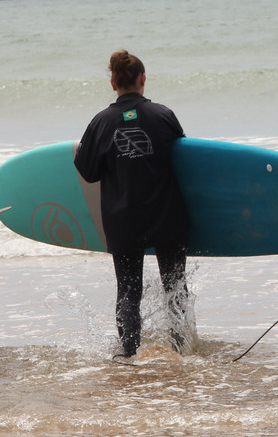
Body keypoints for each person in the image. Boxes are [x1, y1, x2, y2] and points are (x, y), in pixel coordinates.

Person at [74, 50, 191, 358]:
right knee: (175, 287)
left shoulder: (100, 123)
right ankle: (182, 352)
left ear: (113, 83)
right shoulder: (164, 116)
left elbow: (88, 172)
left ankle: (128, 354)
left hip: (123, 221)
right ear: (142, 79)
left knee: (128, 291)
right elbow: (184, 160)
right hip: (165, 217)